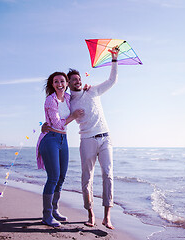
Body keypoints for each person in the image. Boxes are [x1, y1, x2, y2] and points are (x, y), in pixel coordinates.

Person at [68, 47, 119, 229]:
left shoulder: (93, 91)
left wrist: (114, 59)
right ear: (68, 83)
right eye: (74, 80)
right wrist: (73, 115)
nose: (78, 81)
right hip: (87, 140)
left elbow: (112, 80)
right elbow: (61, 119)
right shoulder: (69, 102)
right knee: (87, 178)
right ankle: (90, 213)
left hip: (106, 138)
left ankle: (107, 216)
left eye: (79, 79)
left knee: (108, 174)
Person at [36, 72, 84, 227]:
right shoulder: (51, 100)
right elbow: (56, 124)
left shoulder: (69, 98)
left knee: (62, 177)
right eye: (56, 81)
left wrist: (86, 87)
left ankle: (55, 210)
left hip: (64, 140)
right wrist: (73, 116)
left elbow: (81, 95)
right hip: (50, 139)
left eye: (62, 81)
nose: (59, 84)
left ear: (67, 83)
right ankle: (46, 215)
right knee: (53, 177)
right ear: (52, 84)